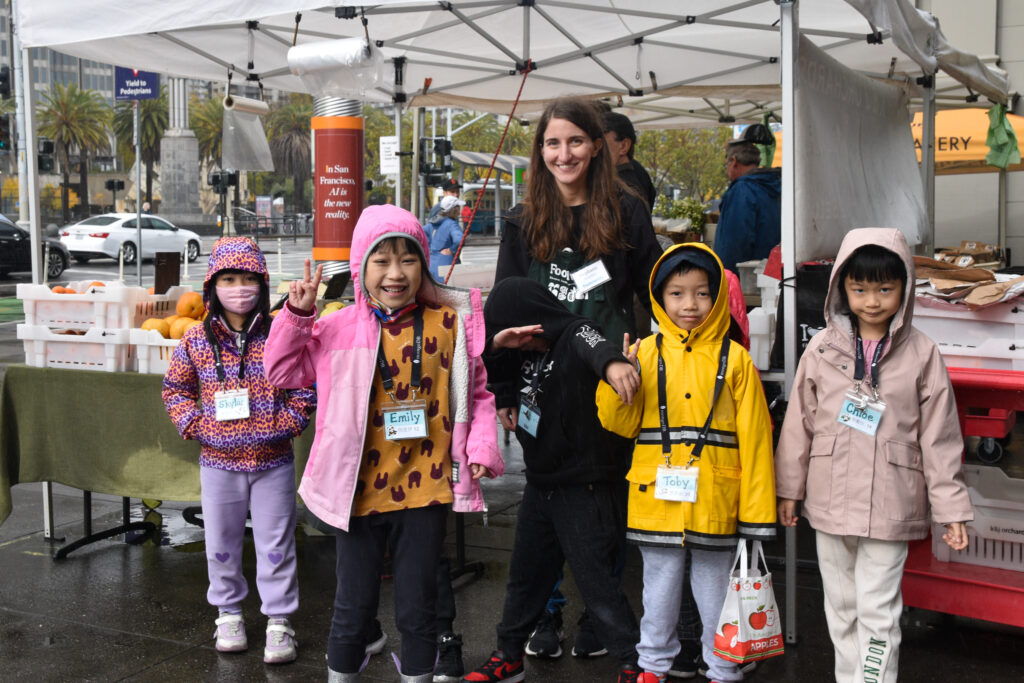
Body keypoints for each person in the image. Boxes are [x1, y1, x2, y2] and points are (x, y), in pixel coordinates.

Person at [263, 204, 504, 683]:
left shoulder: (448, 324)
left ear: (424, 264)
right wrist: (297, 314)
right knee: (352, 610)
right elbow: (281, 372)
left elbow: (477, 394)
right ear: (360, 266)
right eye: (382, 260)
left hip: (426, 493)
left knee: (419, 611)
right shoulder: (334, 328)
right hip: (357, 496)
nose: (396, 274)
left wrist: (480, 446)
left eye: (408, 259)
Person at [493, 95, 662, 662]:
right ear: (540, 151)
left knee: (601, 509)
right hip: (544, 383)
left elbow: (653, 291)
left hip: (611, 384)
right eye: (552, 143)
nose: (563, 154)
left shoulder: (627, 212)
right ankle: (547, 615)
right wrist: (507, 391)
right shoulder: (522, 221)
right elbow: (505, 310)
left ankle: (597, 615)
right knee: (545, 505)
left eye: (575, 141)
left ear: (596, 146)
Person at [775, 228, 972, 683]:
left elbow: (940, 437)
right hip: (828, 502)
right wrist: (790, 489)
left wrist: (951, 508)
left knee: (878, 611)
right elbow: (798, 425)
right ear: (840, 287)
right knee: (840, 608)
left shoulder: (922, 353)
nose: (872, 300)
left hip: (891, 503)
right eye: (859, 288)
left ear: (904, 286)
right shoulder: (822, 349)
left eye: (885, 288)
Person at [596, 242, 777, 683]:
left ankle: (723, 668)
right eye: (676, 294)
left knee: (715, 590)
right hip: (656, 496)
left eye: (701, 293)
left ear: (716, 297)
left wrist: (756, 516)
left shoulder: (735, 359)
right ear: (659, 298)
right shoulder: (645, 352)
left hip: (717, 498)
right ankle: (652, 667)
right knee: (657, 589)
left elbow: (756, 440)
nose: (689, 305)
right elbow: (617, 424)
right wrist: (621, 371)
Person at [464, 276, 644, 683]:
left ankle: (635, 663)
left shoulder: (572, 332)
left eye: (523, 334)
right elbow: (486, 364)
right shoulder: (515, 350)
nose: (521, 344)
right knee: (526, 577)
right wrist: (500, 359)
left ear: (539, 320)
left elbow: (592, 342)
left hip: (585, 483)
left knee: (597, 582)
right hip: (541, 482)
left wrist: (613, 363)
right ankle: (508, 655)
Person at [161, 236, 316, 665]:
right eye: (229, 278)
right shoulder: (193, 340)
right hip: (218, 464)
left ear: (263, 284)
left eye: (249, 278)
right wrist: (194, 425)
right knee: (221, 542)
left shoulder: (280, 335)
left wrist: (283, 425)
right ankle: (228, 613)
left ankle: (280, 621)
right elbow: (175, 389)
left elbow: (304, 385)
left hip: (273, 462)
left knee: (276, 544)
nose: (240, 287)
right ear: (213, 285)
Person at [713, 124, 781, 275]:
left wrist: (726, 280)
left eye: (726, 165)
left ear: (734, 161)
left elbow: (733, 244)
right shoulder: (774, 186)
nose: (727, 169)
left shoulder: (742, 190)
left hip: (746, 280)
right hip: (772, 274)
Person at [601, 111, 656, 209]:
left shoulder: (624, 190)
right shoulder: (637, 177)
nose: (595, 151)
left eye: (603, 145)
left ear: (623, 146)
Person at [425, 195, 466, 280]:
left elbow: (419, 234)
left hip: (431, 265)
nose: (460, 211)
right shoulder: (452, 224)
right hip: (447, 267)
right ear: (454, 209)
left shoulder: (432, 223)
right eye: (458, 207)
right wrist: (451, 250)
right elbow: (459, 240)